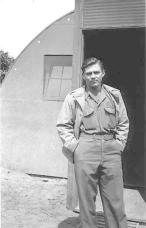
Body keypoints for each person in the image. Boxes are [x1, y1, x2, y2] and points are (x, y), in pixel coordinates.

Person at [56, 57, 129, 228]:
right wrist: (75, 147)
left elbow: (123, 122)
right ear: (83, 76)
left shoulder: (115, 96)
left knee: (115, 199)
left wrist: (119, 144)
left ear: (103, 73)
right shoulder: (74, 98)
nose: (93, 76)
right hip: (86, 148)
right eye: (88, 73)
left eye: (96, 72)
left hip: (111, 148)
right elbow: (63, 124)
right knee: (86, 200)